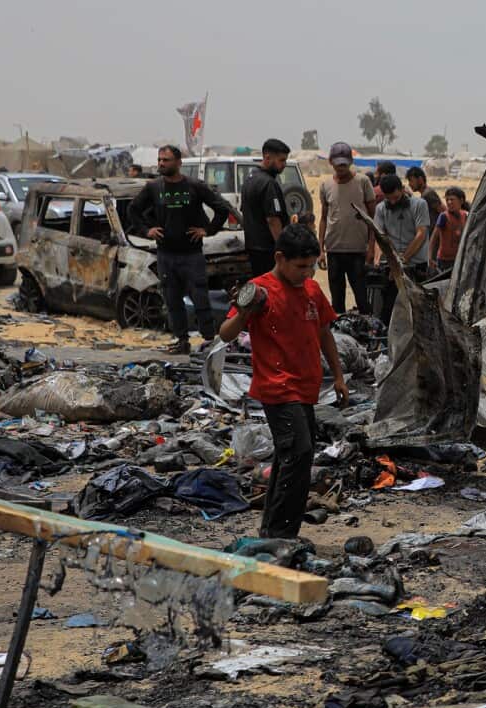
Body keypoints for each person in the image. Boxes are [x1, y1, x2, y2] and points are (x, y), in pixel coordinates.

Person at [219, 224, 348, 538]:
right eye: (301, 266)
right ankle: (281, 534)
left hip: (307, 386)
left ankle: (272, 529)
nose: (307, 273)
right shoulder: (260, 290)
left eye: (311, 266)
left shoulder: (312, 291)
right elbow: (225, 334)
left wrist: (339, 376)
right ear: (279, 257)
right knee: (300, 453)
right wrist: (246, 312)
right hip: (276, 387)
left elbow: (324, 333)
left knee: (290, 455)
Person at [128, 145, 236, 354]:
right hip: (166, 254)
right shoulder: (153, 188)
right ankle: (182, 341)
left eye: (166, 160)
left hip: (192, 255)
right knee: (172, 300)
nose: (161, 164)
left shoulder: (195, 186)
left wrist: (208, 230)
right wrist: (146, 230)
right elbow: (133, 210)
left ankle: (208, 341)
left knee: (200, 299)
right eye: (159, 160)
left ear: (178, 163)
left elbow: (222, 208)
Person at [318, 142, 377, 315]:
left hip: (358, 250)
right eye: (338, 164)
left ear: (351, 161)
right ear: (331, 162)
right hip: (334, 250)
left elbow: (373, 218)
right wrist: (320, 249)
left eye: (344, 163)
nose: (341, 167)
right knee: (337, 300)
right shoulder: (326, 185)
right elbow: (323, 218)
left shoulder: (363, 182)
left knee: (362, 299)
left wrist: (371, 247)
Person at [372, 174, 431, 328]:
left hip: (416, 266)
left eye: (396, 197)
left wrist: (403, 259)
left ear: (403, 190)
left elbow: (421, 234)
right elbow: (380, 235)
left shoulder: (419, 205)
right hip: (392, 267)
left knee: (417, 310)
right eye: (388, 198)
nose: (393, 202)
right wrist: (379, 259)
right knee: (389, 309)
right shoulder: (381, 209)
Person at [241, 138, 292, 276]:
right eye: (281, 160)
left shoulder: (250, 178)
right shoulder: (268, 183)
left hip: (253, 248)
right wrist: (282, 248)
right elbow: (273, 219)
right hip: (268, 249)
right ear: (268, 157)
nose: (284, 164)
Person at [428, 186, 468, 274]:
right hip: (444, 261)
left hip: (459, 259)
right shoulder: (443, 217)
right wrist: (430, 257)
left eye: (452, 199)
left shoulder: (465, 215)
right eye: (447, 200)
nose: (449, 202)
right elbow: (433, 239)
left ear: (461, 201)